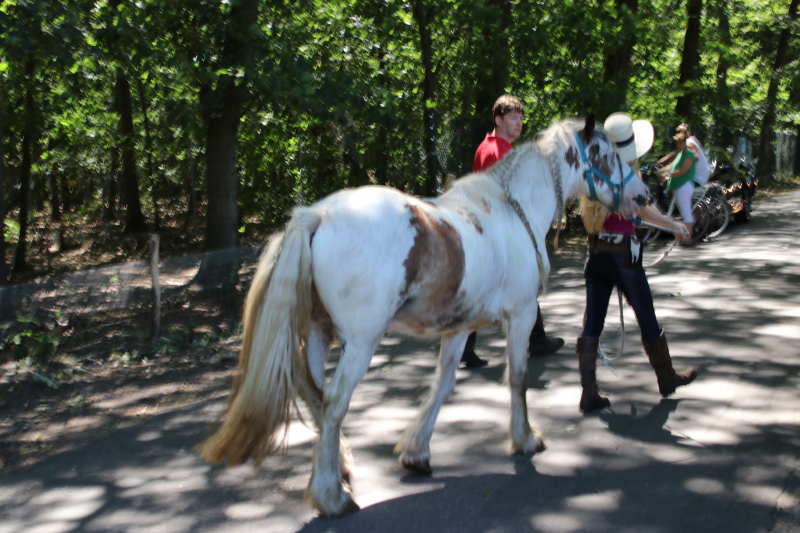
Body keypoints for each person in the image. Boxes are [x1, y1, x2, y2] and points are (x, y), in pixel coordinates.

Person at [576, 112, 698, 412]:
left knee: (592, 322)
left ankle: (588, 392)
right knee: (646, 315)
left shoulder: (594, 172)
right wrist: (674, 225)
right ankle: (666, 377)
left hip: (596, 254)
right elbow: (642, 211)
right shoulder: (628, 173)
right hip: (624, 257)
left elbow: (587, 218)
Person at [461, 94, 565, 368]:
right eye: (512, 117)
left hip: (487, 227)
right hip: (502, 229)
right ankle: (536, 340)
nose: (519, 122)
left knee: (487, 287)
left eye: (520, 117)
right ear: (498, 119)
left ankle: (469, 346)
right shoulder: (501, 151)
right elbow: (511, 195)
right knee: (523, 282)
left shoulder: (486, 145)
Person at [657, 131, 697, 242]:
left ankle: (687, 238)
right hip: (677, 186)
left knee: (686, 213)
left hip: (684, 185)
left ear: (685, 143)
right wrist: (659, 171)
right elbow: (671, 166)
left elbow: (682, 171)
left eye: (680, 143)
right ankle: (682, 237)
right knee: (678, 214)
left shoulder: (689, 154)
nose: (678, 145)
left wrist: (666, 174)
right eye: (677, 143)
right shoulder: (680, 155)